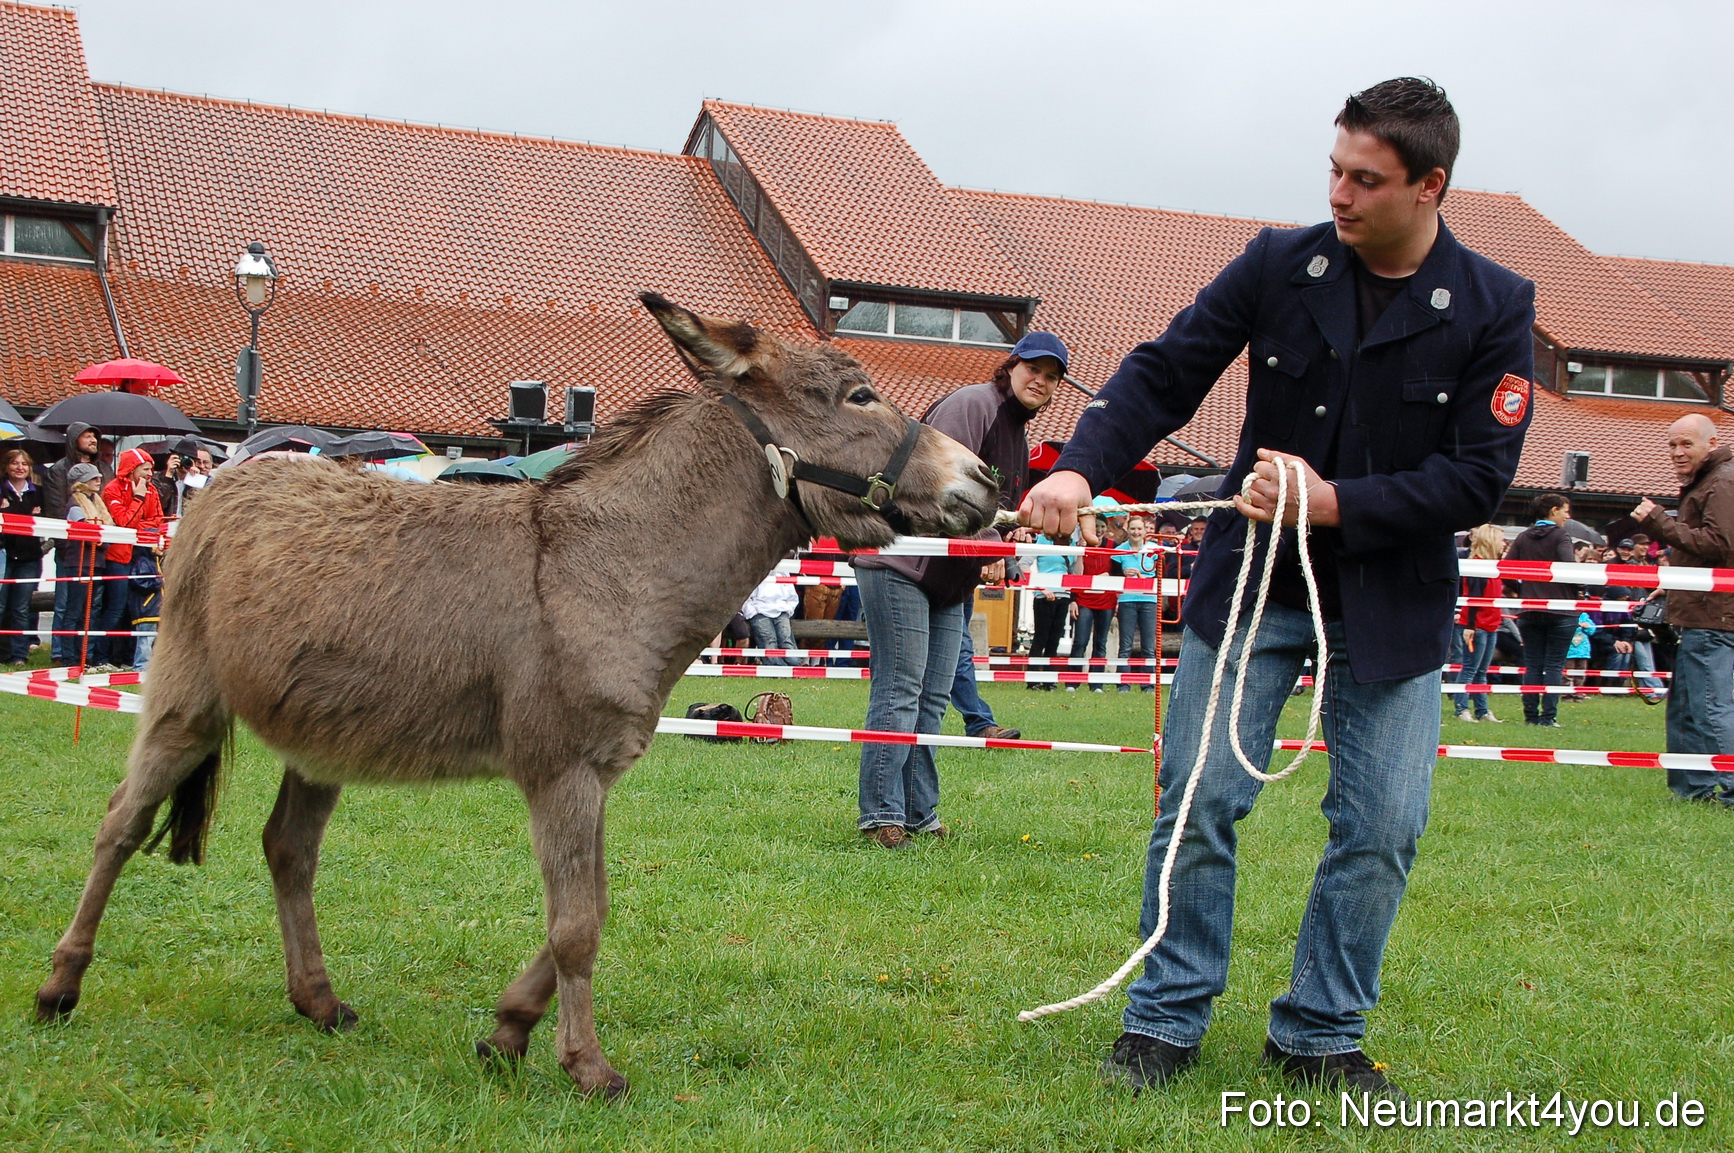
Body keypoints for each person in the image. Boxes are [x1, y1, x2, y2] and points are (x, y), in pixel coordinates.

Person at [1021, 78, 1535, 1097]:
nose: (1339, 194)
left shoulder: (1493, 304)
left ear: (1431, 185)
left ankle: (1317, 1032)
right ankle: (1164, 1017)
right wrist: (1082, 465)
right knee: (1199, 796)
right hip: (1253, 582)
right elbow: (1165, 372)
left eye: (1366, 179)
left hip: (1391, 601)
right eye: (1334, 169)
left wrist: (1335, 501)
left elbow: (1479, 477)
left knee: (1382, 827)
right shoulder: (1278, 262)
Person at [852, 332, 1066, 846]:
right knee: (901, 689)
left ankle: (919, 814)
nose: (1041, 380)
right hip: (901, 561)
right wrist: (993, 539)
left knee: (933, 697)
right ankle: (881, 815)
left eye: (1052, 376)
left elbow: (993, 512)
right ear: (1011, 367)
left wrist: (1007, 539)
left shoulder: (1016, 431)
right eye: (1033, 369)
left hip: (950, 576)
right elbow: (935, 489)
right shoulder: (974, 404)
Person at [1633, 413, 1734, 805]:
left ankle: (1724, 789)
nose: (1676, 452)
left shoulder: (1723, 482)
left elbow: (1720, 545)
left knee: (1710, 707)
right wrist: (1671, 586)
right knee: (1686, 710)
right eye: (1672, 444)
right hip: (1696, 610)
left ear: (1711, 443)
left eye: (1685, 444)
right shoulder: (1709, 480)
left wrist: (1658, 522)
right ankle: (1693, 788)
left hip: (1713, 614)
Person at [1504, 494, 1579, 728]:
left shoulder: (1522, 537)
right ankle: (1549, 717)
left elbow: (1505, 570)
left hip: (1529, 610)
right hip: (1561, 609)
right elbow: (1569, 568)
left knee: (1533, 664)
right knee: (1554, 665)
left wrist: (1522, 589)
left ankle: (1530, 716)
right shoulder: (1560, 535)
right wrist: (1581, 587)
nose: (1568, 516)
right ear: (1554, 510)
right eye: (1565, 511)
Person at [39, 421, 109, 665]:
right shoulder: (59, 471)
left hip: (95, 558)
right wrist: (65, 541)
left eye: (94, 436)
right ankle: (62, 654)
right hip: (71, 552)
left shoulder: (103, 468)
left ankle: (83, 655)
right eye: (87, 435)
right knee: (66, 605)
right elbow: (57, 507)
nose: (92, 440)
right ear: (74, 439)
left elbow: (104, 520)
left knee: (89, 608)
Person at [97, 448, 166, 671]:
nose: (149, 474)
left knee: (135, 610)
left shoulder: (152, 490)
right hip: (117, 555)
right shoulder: (112, 490)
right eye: (146, 469)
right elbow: (125, 522)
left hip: (141, 557)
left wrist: (141, 523)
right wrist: (138, 497)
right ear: (133, 468)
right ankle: (100, 656)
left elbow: (157, 520)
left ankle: (125, 657)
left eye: (151, 470)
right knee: (115, 606)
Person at [57, 463, 112, 668]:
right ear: (81, 483)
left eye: (98, 477)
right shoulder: (74, 505)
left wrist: (102, 540)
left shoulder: (96, 503)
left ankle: (84, 656)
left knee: (91, 611)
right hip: (79, 563)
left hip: (96, 563)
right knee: (75, 611)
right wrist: (103, 540)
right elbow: (91, 536)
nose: (98, 480)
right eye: (93, 478)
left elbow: (102, 537)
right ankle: (70, 657)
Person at [1448, 523, 1505, 722]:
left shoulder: (1493, 565)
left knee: (1481, 671)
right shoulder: (1477, 565)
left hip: (1491, 624)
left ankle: (1482, 710)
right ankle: (1461, 708)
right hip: (1477, 625)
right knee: (1470, 669)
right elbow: (1472, 599)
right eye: (1501, 540)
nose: (1503, 544)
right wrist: (1470, 627)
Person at [1069, 499, 1122, 692]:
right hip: (1084, 600)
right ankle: (1072, 682)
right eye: (1095, 527)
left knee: (1100, 643)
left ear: (1106, 528)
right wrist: (1081, 552)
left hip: (1106, 601)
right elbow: (1077, 574)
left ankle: (1096, 683)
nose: (1098, 530)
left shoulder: (1113, 546)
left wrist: (1108, 576)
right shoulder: (1080, 546)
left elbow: (1118, 573)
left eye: (1101, 526)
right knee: (1080, 641)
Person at [1, 449, 45, 666]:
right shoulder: (1, 489)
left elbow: (46, 522)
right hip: (5, 555)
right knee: (1, 605)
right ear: (6, 466)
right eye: (15, 463)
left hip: (29, 557)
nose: (20, 467)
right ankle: (3, 652)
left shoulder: (38, 492)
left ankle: (19, 654)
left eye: (24, 464)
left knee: (20, 607)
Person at [1028, 527, 1079, 690]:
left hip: (1063, 595)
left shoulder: (1072, 544)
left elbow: (1076, 573)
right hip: (1044, 596)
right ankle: (1033, 680)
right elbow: (1023, 566)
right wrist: (1041, 588)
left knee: (1054, 640)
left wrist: (1080, 552)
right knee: (1040, 639)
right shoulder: (1040, 540)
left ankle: (1050, 680)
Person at [1114, 515, 1160, 692]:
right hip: (1127, 600)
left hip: (1149, 600)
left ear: (1145, 531)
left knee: (1149, 646)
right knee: (1125, 645)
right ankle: (1123, 684)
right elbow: (1113, 577)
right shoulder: (1119, 551)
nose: (1136, 532)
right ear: (1128, 529)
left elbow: (1163, 572)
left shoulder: (1154, 550)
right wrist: (1124, 574)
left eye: (1139, 529)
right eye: (1132, 528)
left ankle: (1147, 684)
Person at [742, 570, 801, 665]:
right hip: (759, 611)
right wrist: (753, 612)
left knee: (786, 641)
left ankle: (796, 668)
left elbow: (792, 597)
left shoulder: (783, 571)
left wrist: (787, 609)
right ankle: (781, 670)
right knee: (769, 643)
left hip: (782, 611)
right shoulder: (753, 571)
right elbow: (744, 598)